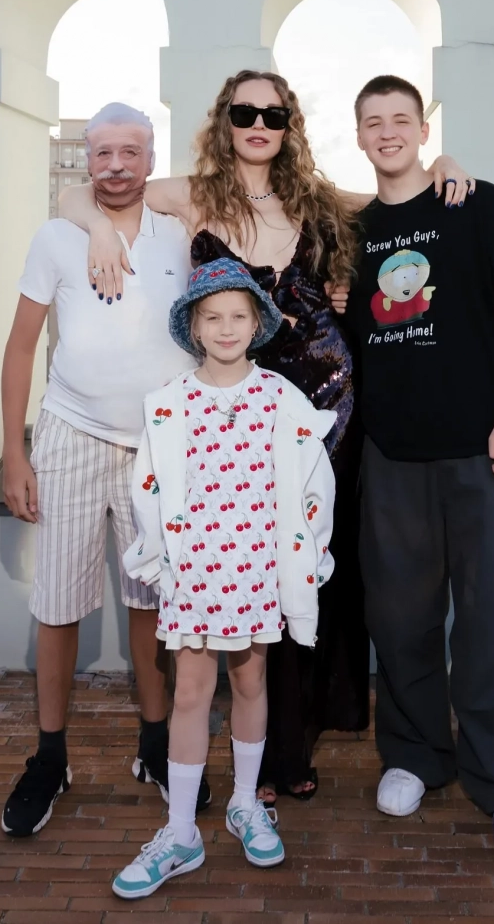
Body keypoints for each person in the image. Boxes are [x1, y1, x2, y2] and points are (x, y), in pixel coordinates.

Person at [59, 70, 473, 802]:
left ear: (289, 125)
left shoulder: (314, 196)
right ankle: (262, 749)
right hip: (237, 411)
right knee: (250, 561)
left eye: (273, 115)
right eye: (245, 112)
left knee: (309, 563)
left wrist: (442, 162)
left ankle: (292, 747)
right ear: (226, 119)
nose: (259, 124)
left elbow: (394, 192)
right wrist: (95, 225)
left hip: (327, 405)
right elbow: (85, 193)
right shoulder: (193, 194)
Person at [346, 75, 494, 854]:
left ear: (423, 128)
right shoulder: (353, 230)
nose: (388, 131)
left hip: (486, 450)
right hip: (392, 455)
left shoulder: (478, 204)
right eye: (374, 121)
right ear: (359, 136)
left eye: (401, 118)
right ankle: (415, 755)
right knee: (399, 619)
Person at [0, 103, 210, 837]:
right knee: (58, 603)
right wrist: (16, 452)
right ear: (85, 158)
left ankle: (156, 746)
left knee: (153, 600)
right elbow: (21, 346)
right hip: (71, 432)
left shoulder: (181, 231)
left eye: (130, 152)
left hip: (160, 443)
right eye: (102, 153)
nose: (116, 166)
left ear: (151, 158)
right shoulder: (57, 235)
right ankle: (49, 757)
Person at [111, 260, 336, 898]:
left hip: (256, 572)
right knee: (189, 693)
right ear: (194, 326)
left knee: (250, 681)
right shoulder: (170, 403)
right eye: (213, 317)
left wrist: (308, 555)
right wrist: (158, 560)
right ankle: (181, 830)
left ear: (256, 322)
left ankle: (244, 801)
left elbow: (314, 480)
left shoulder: (280, 398)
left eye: (238, 315)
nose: (226, 327)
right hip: (193, 575)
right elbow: (148, 488)